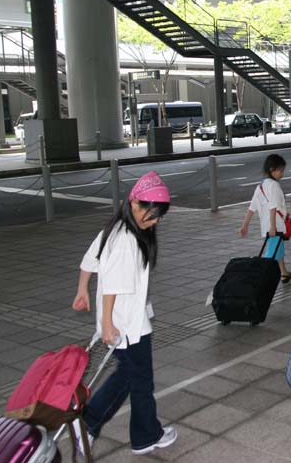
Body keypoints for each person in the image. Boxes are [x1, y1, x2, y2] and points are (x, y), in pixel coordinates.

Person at [72, 171, 177, 457]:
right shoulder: (126, 240)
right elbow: (114, 286)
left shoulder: (116, 228)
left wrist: (82, 290)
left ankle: (144, 435)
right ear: (134, 204)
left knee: (135, 378)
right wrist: (107, 324)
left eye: (159, 217)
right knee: (134, 378)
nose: (155, 222)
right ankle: (91, 423)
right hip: (126, 326)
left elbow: (89, 259)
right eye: (152, 215)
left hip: (127, 321)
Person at [240, 154, 291, 283]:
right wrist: (273, 227)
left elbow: (252, 208)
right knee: (270, 255)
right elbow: (273, 207)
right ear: (272, 169)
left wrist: (245, 225)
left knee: (277, 249)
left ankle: (284, 273)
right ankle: (260, 280)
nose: (282, 174)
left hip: (267, 226)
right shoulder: (274, 185)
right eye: (280, 171)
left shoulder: (260, 186)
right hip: (275, 226)